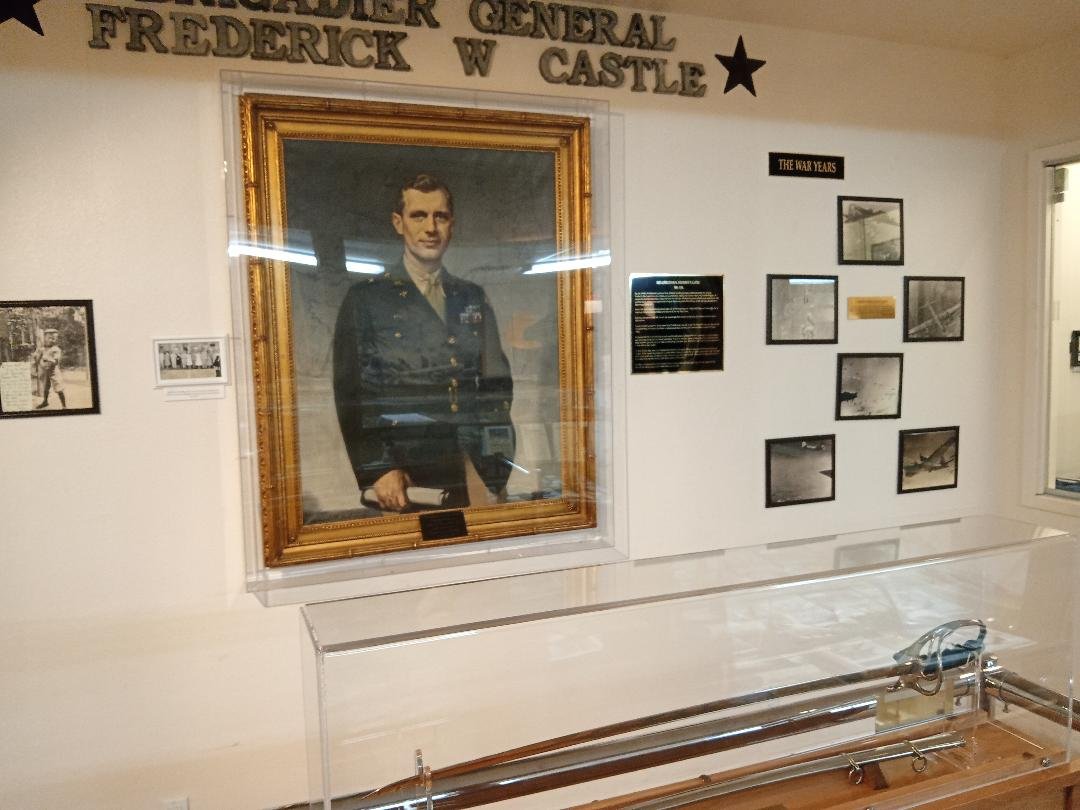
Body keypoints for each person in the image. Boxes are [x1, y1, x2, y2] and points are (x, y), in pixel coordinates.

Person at [333, 174, 515, 512]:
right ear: (398, 223)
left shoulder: (470, 296)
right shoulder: (367, 300)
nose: (430, 227)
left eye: (440, 216)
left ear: (451, 225)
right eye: (419, 216)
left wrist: (497, 465)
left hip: (471, 462)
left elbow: (496, 385)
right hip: (406, 471)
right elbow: (352, 393)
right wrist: (378, 467)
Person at [33, 329, 66, 409]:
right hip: (45, 371)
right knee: (46, 388)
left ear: (56, 339)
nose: (51, 340)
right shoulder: (43, 349)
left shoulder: (56, 349)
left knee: (59, 388)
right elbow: (37, 360)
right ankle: (45, 402)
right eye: (49, 338)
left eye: (54, 338)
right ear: (45, 338)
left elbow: (56, 362)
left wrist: (47, 358)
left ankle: (64, 406)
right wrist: (36, 356)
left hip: (54, 372)